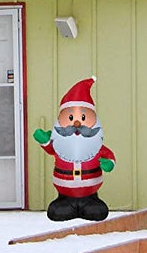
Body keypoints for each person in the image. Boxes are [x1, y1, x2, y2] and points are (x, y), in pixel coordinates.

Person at [33, 77, 116, 221]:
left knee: (97, 211)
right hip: (65, 195)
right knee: (57, 212)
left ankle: (89, 204)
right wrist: (45, 140)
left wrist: (109, 163)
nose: (77, 123)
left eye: (83, 117)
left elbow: (108, 156)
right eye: (70, 117)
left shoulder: (96, 147)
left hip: (90, 194)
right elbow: (50, 148)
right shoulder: (60, 145)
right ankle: (66, 204)